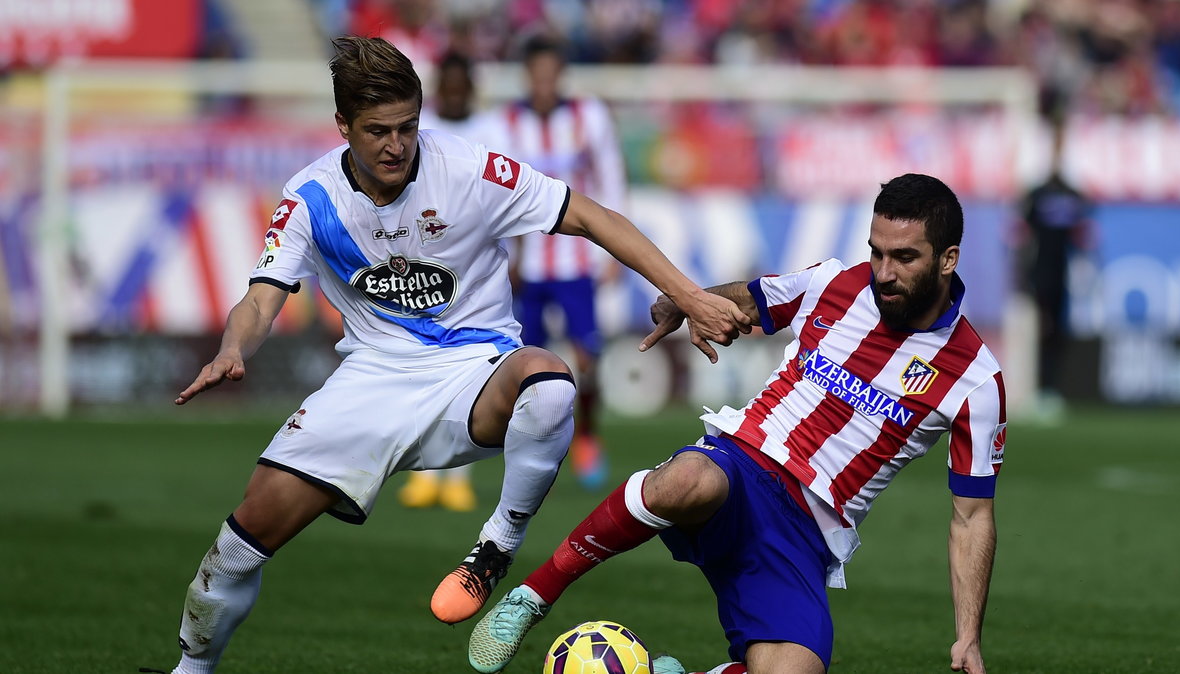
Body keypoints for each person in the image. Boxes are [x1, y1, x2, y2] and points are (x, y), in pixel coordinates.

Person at [164, 36, 749, 674]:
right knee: (236, 551)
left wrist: (688, 294)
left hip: (476, 372)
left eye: (407, 127)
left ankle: (497, 546)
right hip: (369, 384)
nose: (396, 145)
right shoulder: (310, 198)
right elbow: (260, 300)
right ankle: (191, 668)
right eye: (377, 131)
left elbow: (591, 217)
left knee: (552, 384)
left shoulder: (471, 170)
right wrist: (231, 347)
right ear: (342, 128)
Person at [467, 174, 1006, 674]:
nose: (883, 272)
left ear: (948, 259)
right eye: (877, 252)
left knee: (796, 670)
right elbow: (752, 297)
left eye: (904, 257)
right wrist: (689, 300)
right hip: (744, 464)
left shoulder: (976, 380)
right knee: (685, 480)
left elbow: (972, 517)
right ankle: (532, 596)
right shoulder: (836, 283)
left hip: (808, 531)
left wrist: (968, 636)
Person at [495, 35, 628, 490]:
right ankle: (528, 447)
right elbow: (498, 192)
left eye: (553, 73)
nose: (546, 82)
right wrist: (508, 253)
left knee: (588, 354)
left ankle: (588, 436)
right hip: (527, 267)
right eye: (538, 73)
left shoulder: (587, 116)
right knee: (525, 361)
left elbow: (610, 178)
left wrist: (614, 250)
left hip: (577, 261)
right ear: (528, 76)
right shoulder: (507, 122)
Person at [396, 50, 499, 513]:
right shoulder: (418, 127)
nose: (454, 94)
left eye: (461, 87)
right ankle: (425, 472)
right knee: (420, 365)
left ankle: (457, 477)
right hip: (422, 260)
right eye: (448, 86)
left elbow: (505, 201)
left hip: (474, 263)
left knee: (470, 369)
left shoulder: (492, 131)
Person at [1016, 116, 1092, 422]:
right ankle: (1033, 387)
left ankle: (1050, 389)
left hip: (1062, 273)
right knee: (1036, 329)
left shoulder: (1074, 196)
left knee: (1056, 331)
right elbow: (1021, 236)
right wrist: (1022, 273)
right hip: (1039, 271)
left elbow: (1083, 237)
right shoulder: (1036, 195)